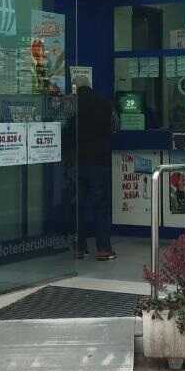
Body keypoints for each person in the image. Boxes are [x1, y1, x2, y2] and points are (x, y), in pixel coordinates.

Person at [75, 79, 116, 260]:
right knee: (101, 205)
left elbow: (65, 129)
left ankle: (79, 247)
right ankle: (103, 249)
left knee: (79, 206)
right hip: (100, 161)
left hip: (78, 161)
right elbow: (115, 127)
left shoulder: (72, 106)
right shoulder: (105, 104)